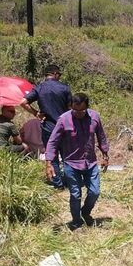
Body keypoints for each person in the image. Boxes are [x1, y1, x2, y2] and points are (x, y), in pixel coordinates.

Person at [45, 93, 109, 230]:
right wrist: (49, 163)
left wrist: (105, 155)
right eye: (75, 110)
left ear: (87, 107)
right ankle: (76, 221)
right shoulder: (63, 119)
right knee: (75, 194)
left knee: (95, 192)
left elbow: (101, 136)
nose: (78, 113)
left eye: (82, 111)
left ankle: (85, 212)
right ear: (71, 106)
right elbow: (52, 142)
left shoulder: (94, 117)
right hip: (71, 163)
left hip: (90, 162)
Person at [21, 64, 72, 188]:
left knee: (52, 156)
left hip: (48, 127)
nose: (59, 77)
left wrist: (36, 113)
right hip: (64, 127)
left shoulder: (39, 88)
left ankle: (58, 184)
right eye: (59, 74)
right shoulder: (65, 88)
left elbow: (23, 102)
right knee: (67, 156)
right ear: (55, 73)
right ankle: (71, 182)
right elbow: (71, 108)